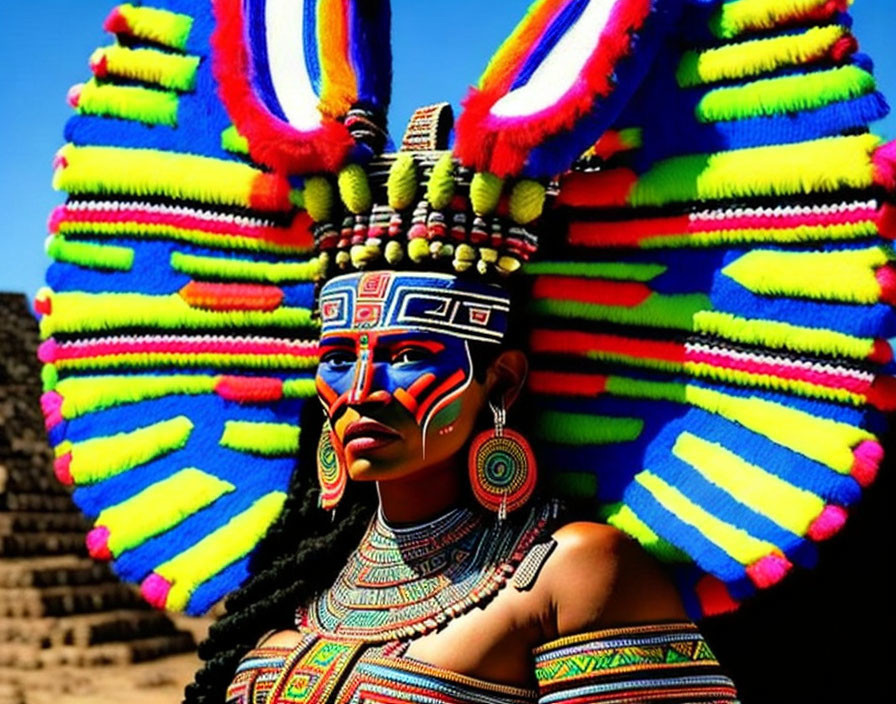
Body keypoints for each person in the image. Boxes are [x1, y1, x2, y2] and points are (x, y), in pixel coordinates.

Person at [36, 0, 893, 702]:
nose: (362, 388)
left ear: (504, 376)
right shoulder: (293, 581)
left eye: (410, 353)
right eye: (339, 356)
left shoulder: (576, 574)